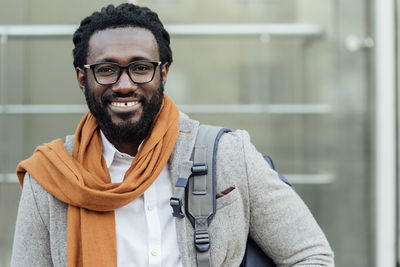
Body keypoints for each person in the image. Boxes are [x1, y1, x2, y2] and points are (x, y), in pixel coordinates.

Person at [11, 3, 334, 267]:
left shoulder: (229, 154)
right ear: (83, 79)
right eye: (107, 70)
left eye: (140, 67)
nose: (124, 84)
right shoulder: (50, 176)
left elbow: (310, 256)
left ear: (162, 72)